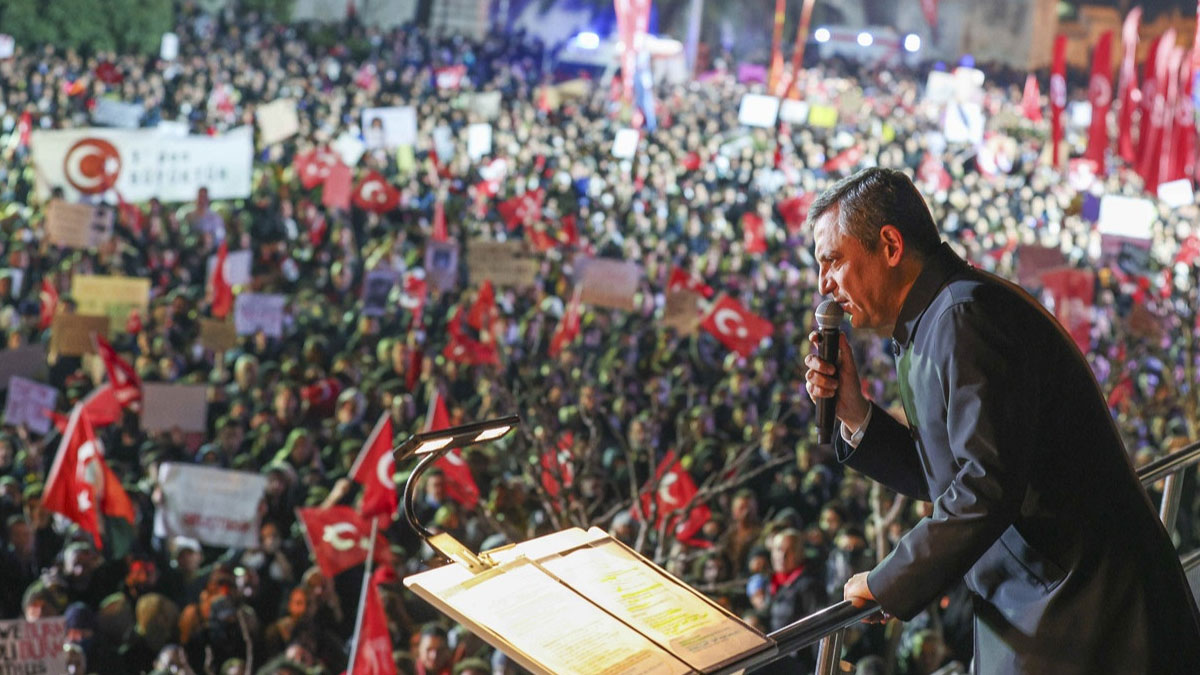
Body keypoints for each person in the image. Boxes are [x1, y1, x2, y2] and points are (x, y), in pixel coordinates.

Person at [802, 167, 1200, 673]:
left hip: (1087, 619)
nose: (823, 284)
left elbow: (985, 487)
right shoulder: (931, 324)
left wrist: (888, 580)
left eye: (832, 261)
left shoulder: (966, 318)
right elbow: (951, 476)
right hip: (1043, 609)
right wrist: (855, 414)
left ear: (890, 245)